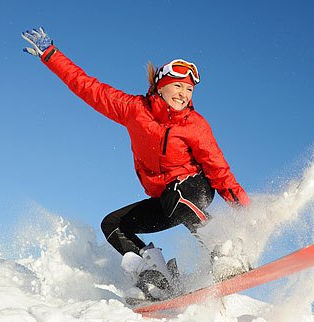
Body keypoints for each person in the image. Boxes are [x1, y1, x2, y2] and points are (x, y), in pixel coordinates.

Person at [22, 27, 250, 300]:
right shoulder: (134, 109)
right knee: (113, 224)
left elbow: (220, 172)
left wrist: (248, 215)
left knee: (176, 195)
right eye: (178, 85)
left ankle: (225, 253)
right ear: (160, 86)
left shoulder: (195, 125)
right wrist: (50, 55)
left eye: (189, 89)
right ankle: (157, 276)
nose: (183, 94)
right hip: (166, 198)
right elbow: (87, 87)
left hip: (194, 189)